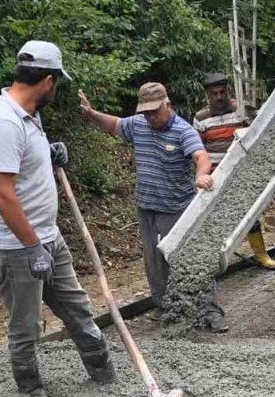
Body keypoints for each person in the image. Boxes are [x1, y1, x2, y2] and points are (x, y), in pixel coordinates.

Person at [0, 41, 117, 395]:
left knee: (77, 308)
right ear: (48, 80)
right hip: (16, 246)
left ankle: (103, 374)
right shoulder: (5, 122)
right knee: (26, 325)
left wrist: (47, 153)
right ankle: (31, 390)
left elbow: (21, 165)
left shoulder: (28, 114)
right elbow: (3, 194)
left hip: (47, 237)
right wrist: (32, 246)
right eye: (58, 83)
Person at [79, 83, 228, 332]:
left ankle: (210, 311)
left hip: (176, 208)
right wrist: (91, 114)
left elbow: (201, 156)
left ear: (167, 105)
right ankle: (165, 306)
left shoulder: (182, 131)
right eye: (146, 112)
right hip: (147, 207)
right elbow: (114, 124)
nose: (150, 117)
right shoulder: (138, 124)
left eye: (155, 111)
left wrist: (202, 175)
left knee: (190, 259)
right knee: (154, 260)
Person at [193, 72, 275, 268]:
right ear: (207, 94)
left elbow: (256, 134)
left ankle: (260, 254)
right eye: (214, 93)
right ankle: (215, 261)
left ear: (228, 90)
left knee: (250, 214)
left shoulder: (241, 110)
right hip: (214, 176)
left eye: (222, 92)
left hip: (240, 172)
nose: (219, 97)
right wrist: (202, 174)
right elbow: (197, 148)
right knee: (215, 218)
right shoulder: (201, 118)